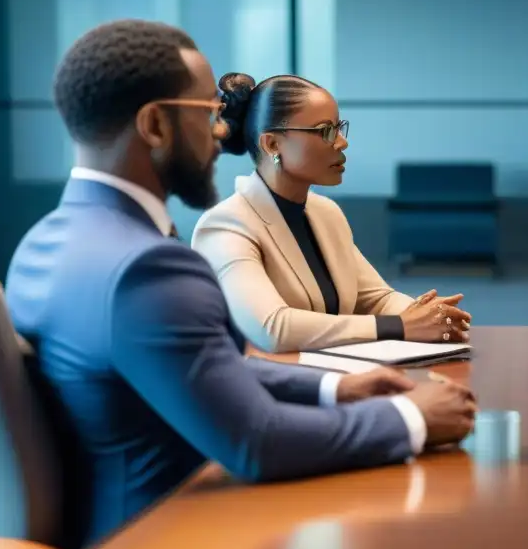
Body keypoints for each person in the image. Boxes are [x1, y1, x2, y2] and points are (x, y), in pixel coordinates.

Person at [5, 20, 477, 549]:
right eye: (208, 113)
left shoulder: (43, 245)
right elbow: (257, 442)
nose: (224, 132)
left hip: (108, 545)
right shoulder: (145, 270)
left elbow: (199, 368)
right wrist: (408, 418)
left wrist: (333, 387)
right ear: (155, 125)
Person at [191, 72, 471, 354]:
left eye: (339, 128)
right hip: (261, 387)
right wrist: (399, 326)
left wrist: (427, 315)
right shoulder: (226, 225)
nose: (341, 142)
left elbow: (378, 299)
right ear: (272, 144)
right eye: (326, 131)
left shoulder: (325, 212)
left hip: (332, 379)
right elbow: (272, 328)